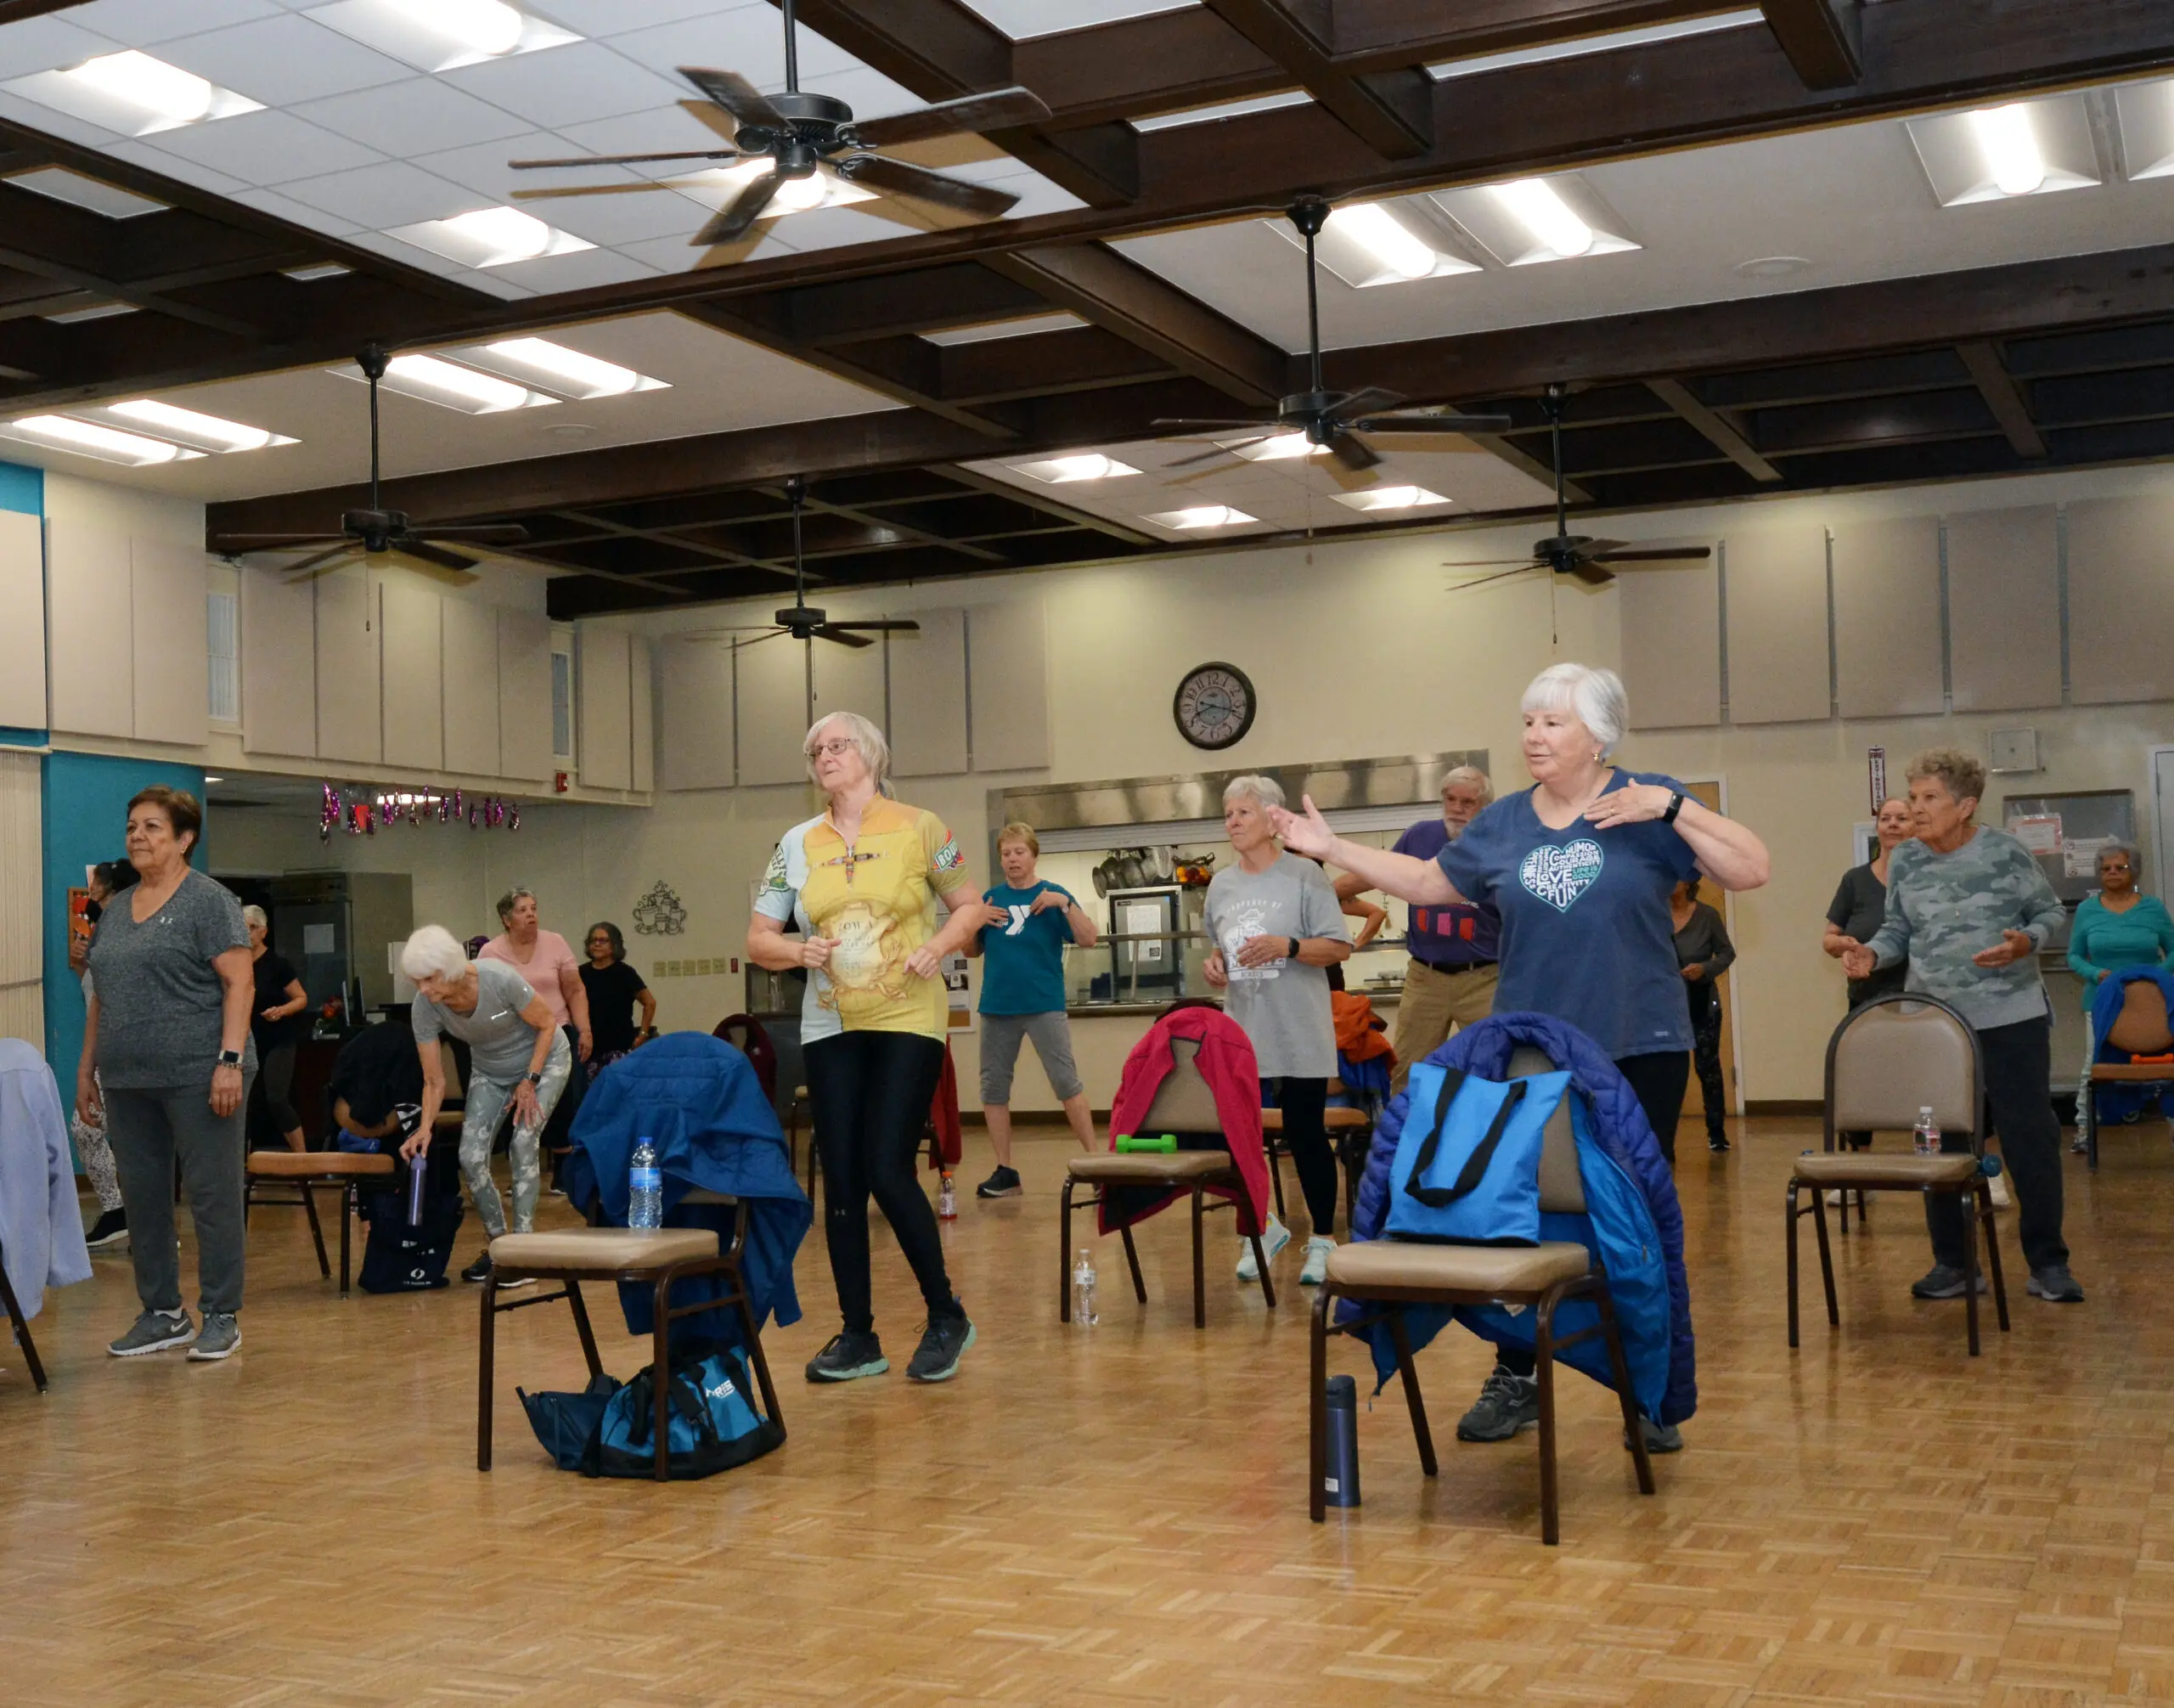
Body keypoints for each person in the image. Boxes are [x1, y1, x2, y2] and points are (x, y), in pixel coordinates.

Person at [1270, 662, 1769, 1449]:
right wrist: (1336, 847)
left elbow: (1751, 868)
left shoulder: (1647, 801)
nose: (1534, 735)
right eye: (1529, 720)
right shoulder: (1503, 823)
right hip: (1533, 1052)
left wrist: (1671, 807)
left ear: (1598, 734)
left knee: (1629, 1218)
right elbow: (1432, 882)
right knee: (1520, 1213)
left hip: (1639, 1045)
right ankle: (1518, 1372)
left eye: (1553, 722)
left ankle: (1645, 1385)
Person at [747, 711, 990, 1385]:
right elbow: (759, 937)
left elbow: (970, 907)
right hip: (829, 1023)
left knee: (887, 1164)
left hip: (908, 1014)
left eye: (837, 744)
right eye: (815, 749)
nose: (824, 755)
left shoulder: (925, 828)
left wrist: (937, 945)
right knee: (844, 1178)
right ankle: (859, 1335)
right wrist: (800, 947)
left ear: (872, 755)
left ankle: (947, 1314)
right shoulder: (794, 842)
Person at [1840, 747, 2082, 1305]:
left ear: (1965, 806)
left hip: (2010, 1017)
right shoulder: (1904, 859)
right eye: (1913, 796)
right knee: (1937, 1143)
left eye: (1929, 799)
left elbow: (2049, 913)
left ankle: (2049, 1263)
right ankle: (1953, 1262)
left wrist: (2027, 941)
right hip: (1935, 1028)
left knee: (2030, 1139)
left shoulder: (2006, 852)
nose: (1915, 809)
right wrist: (1871, 955)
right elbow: (1898, 928)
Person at [77, 787, 256, 1362]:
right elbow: (102, 996)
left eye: (153, 827)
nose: (137, 836)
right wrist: (87, 1069)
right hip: (127, 1077)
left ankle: (222, 1313)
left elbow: (240, 982)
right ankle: (162, 1312)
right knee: (145, 1197)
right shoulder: (118, 909)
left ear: (185, 839)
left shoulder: (209, 901)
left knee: (211, 1193)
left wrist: (228, 1060)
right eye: (132, 826)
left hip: (200, 1070)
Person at [1204, 775, 1353, 1288]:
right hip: (1245, 1030)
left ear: (1272, 819)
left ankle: (1323, 1239)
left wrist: (1287, 946)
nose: (1232, 822)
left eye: (1243, 812)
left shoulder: (1304, 876)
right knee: (1240, 1136)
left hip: (1299, 1028)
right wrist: (1216, 965)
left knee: (1306, 1133)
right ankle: (1261, 1229)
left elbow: (1337, 947)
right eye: (1228, 814)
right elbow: (1220, 948)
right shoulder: (1221, 885)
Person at [398, 924, 572, 1286]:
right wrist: (425, 1127)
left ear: (449, 968)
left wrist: (530, 1080)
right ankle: (500, 1248)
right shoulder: (425, 1008)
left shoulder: (498, 979)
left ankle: (524, 1253)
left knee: (523, 1142)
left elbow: (546, 1025)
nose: (424, 990)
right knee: (471, 1157)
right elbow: (434, 1080)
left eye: (429, 979)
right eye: (417, 982)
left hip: (545, 1061)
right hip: (491, 1072)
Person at [1337, 766, 1499, 1094]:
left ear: (1485, 807)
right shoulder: (1420, 836)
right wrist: (1324, 892)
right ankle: (1403, 1143)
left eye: (1467, 802)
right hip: (1425, 979)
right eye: (1450, 800)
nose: (1456, 809)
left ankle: (1494, 1143)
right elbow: (1378, 873)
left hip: (1485, 979)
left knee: (1493, 1072)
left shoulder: (1502, 845)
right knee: (1408, 1073)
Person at [965, 822, 1099, 1198]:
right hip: (997, 1007)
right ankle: (1006, 1171)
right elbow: (970, 951)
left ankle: (1096, 1163)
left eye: (1019, 852)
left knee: (1066, 1083)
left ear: (1034, 855)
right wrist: (974, 921)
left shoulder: (1053, 894)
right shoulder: (991, 897)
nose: (1012, 860)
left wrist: (1066, 904)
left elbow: (1089, 938)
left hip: (1043, 1006)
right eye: (1006, 853)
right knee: (993, 1089)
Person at [2065, 840, 2174, 1153]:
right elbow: (2074, 957)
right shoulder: (2087, 910)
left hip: (2152, 1004)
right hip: (2102, 1000)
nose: (2112, 873)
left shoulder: (2153, 908)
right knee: (2092, 1067)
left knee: (2167, 1064)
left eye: (2120, 867)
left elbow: (2173, 951)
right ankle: (2085, 1129)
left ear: (2133, 871)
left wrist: (2154, 977)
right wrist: (2095, 973)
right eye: (2106, 868)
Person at [1822, 796, 1916, 1150]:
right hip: (1867, 999)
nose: (1892, 824)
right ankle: (1858, 1160)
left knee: (1940, 1076)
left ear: (1917, 825)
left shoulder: (1929, 880)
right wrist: (1842, 945)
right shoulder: (1855, 880)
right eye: (1886, 818)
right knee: (1860, 1081)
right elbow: (1829, 938)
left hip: (1923, 999)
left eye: (1901, 818)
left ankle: (1960, 1160)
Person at [481, 888, 591, 1182]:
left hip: (557, 1030)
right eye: (522, 910)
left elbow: (575, 989)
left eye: (533, 908)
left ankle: (565, 1175)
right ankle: (521, 1174)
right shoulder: (491, 953)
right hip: (515, 1039)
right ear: (506, 919)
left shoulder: (555, 943)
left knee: (565, 1101)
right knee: (519, 1103)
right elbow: (487, 999)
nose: (531, 914)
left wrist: (584, 1030)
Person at [70, 860, 137, 1249]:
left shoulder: (127, 933)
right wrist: (84, 964)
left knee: (94, 1128)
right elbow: (94, 994)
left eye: (101, 891)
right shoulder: (103, 935)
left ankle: (128, 1213)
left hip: (124, 1051)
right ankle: (120, 1212)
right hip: (104, 1050)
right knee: (89, 1129)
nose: (94, 896)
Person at [1671, 878, 1737, 1153]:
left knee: (1707, 1067)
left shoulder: (1707, 915)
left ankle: (1717, 1133)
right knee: (1669, 1071)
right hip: (1664, 1003)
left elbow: (1726, 953)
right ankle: (1664, 1138)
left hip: (1701, 999)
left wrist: (1705, 968)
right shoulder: (1653, 913)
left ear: (1687, 883)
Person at [241, 905, 310, 1153]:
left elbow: (301, 998)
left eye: (252, 927)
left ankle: (302, 1158)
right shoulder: (235, 963)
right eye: (242, 927)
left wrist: (281, 1011)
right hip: (247, 1040)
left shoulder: (277, 963)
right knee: (244, 1103)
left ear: (263, 931)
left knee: (276, 1098)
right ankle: (244, 1163)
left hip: (278, 1039)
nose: (246, 932)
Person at [578, 922, 655, 1080]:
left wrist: (642, 1035)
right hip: (589, 1049)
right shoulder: (580, 973)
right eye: (593, 941)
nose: (596, 944)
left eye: (602, 940)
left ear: (614, 945)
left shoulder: (625, 973)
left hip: (619, 1047)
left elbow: (650, 1003)